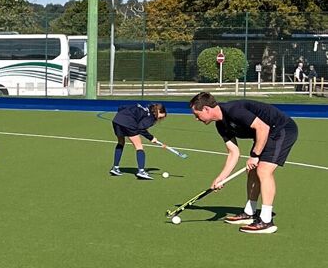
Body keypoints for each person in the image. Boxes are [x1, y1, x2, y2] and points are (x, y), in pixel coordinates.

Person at [190, 92, 299, 234]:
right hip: (266, 134)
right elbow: (233, 152)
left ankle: (266, 221)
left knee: (263, 170)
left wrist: (255, 155)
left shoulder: (233, 110)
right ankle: (249, 213)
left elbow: (263, 128)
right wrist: (221, 178)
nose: (196, 119)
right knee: (252, 170)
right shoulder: (220, 125)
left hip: (281, 129)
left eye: (196, 114)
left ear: (206, 109)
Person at [109, 103, 168, 180]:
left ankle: (115, 168)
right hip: (128, 122)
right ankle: (141, 171)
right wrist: (151, 138)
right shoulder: (151, 117)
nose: (159, 119)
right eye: (161, 116)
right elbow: (140, 128)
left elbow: (121, 107)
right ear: (159, 111)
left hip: (117, 120)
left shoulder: (146, 107)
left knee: (121, 142)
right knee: (139, 146)